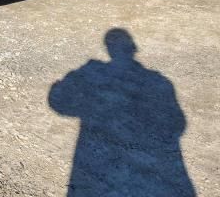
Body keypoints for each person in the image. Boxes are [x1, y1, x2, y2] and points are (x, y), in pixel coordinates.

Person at [48, 28, 195, 196]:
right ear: (133, 48)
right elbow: (178, 125)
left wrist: (57, 87)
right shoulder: (159, 82)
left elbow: (59, 103)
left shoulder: (92, 73)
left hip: (101, 167)